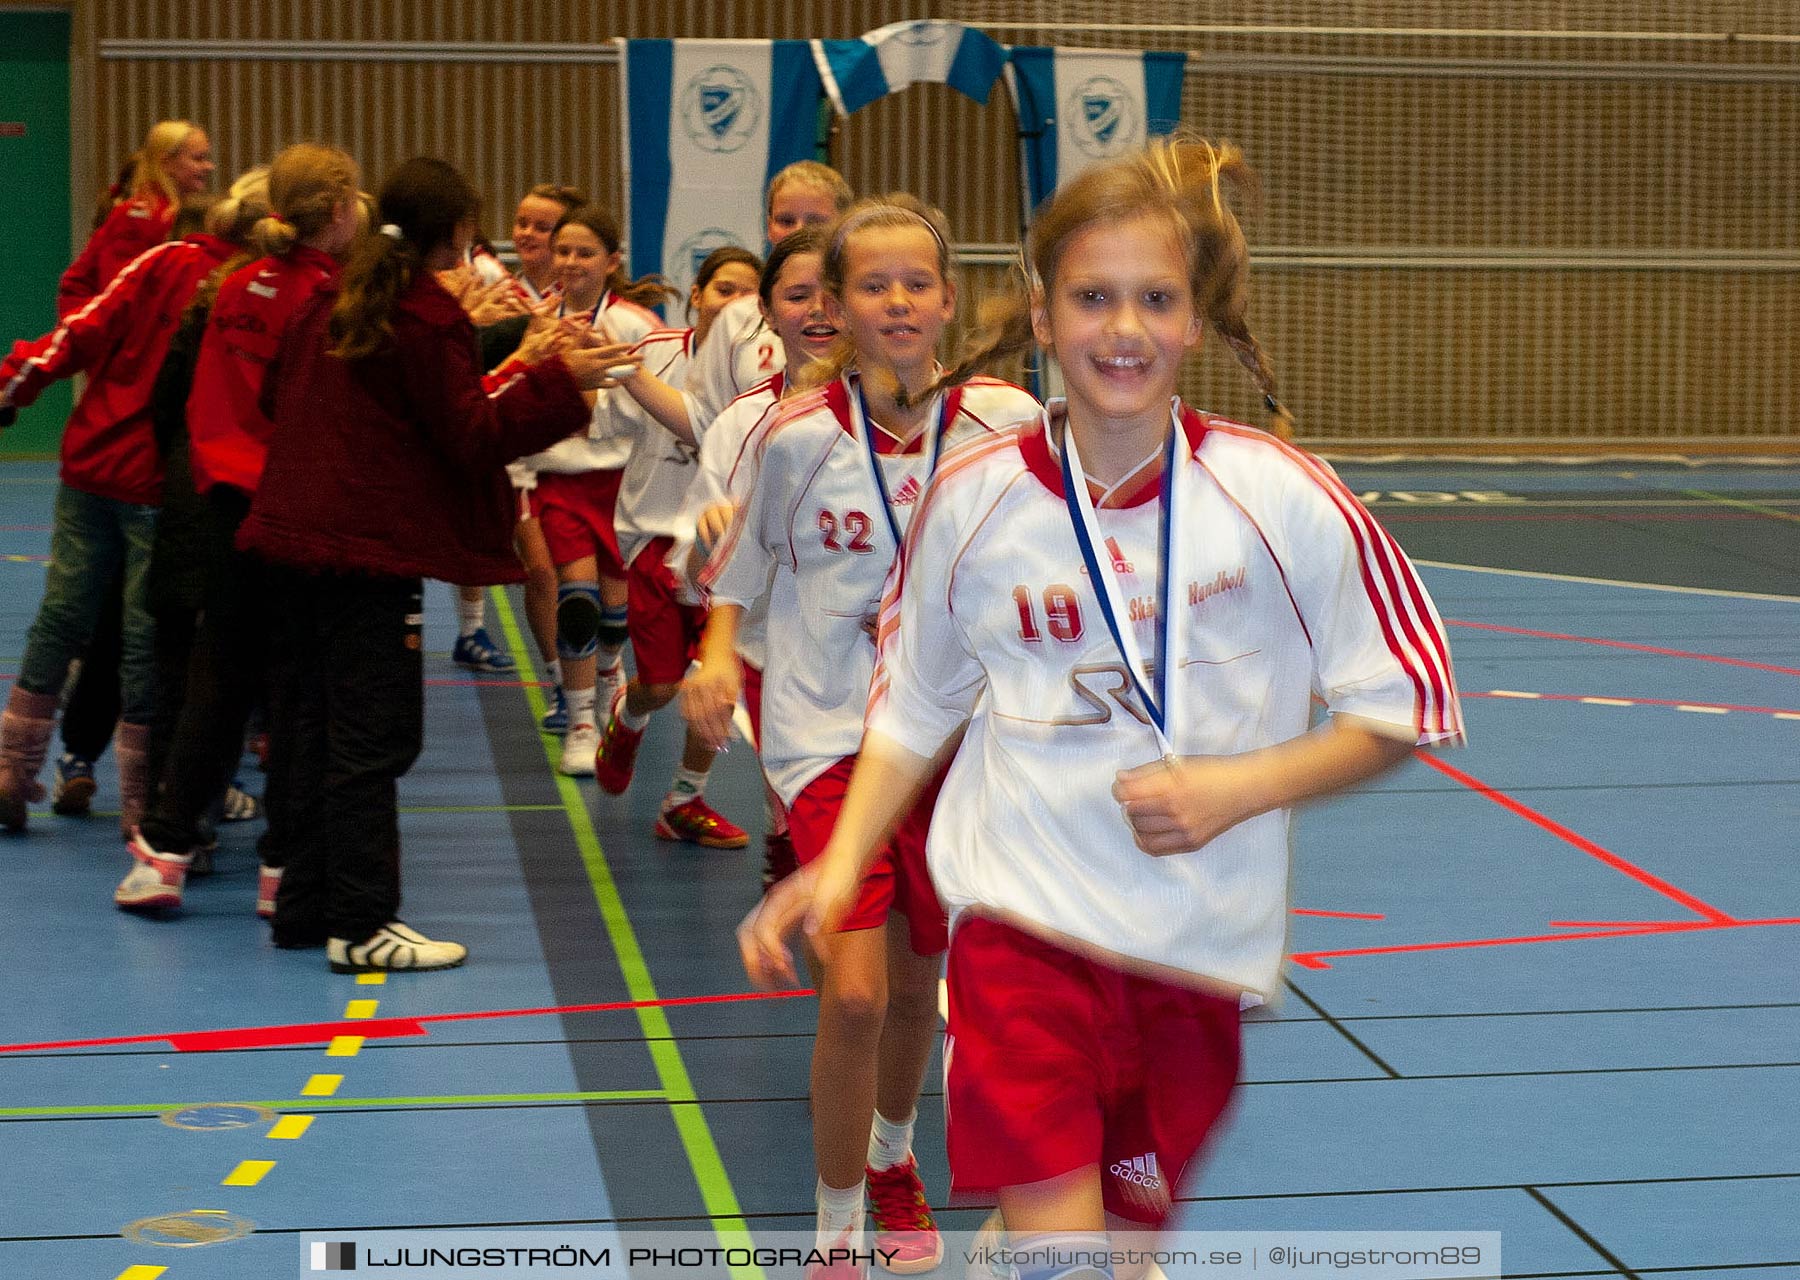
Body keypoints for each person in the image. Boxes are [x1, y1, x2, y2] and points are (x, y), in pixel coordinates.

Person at [741, 139, 1464, 1265]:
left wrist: (1242, 784)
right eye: (1092, 296)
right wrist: (841, 862)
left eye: (1154, 299)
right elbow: (912, 704)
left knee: (1129, 1246)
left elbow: (1407, 700)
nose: (1122, 328)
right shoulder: (975, 502)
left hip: (1190, 957)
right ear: (1042, 316)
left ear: (1192, 319)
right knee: (1069, 1251)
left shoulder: (1280, 498)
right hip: (1022, 936)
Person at [691, 195, 1040, 1271]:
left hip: (952, 741)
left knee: (918, 979)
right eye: (872, 284)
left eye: (917, 283)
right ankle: (834, 1232)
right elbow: (737, 580)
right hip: (826, 737)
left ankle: (894, 1160)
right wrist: (711, 656)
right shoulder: (790, 441)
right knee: (853, 991)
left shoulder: (1007, 425)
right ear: (836, 306)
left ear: (947, 301)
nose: (897, 300)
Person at [237, 157, 616, 970]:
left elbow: (279, 401)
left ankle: (306, 906)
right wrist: (559, 382)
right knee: (373, 737)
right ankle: (362, 922)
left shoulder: (333, 301)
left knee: (308, 727)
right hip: (362, 555)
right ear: (458, 230)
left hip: (290, 542)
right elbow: (470, 435)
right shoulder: (419, 315)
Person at [115, 143, 363, 915]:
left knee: (214, 685)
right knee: (292, 694)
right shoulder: (326, 302)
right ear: (335, 215)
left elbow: (193, 399)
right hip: (286, 514)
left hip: (220, 508)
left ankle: (161, 856)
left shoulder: (229, 285)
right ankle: (282, 871)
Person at [0, 191, 240, 835]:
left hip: (92, 462)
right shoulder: (242, 287)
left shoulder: (162, 261)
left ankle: (11, 772)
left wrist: (13, 383)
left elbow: (81, 327)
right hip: (157, 485)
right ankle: (141, 805)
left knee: (60, 618)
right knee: (143, 643)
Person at [666, 228, 837, 886]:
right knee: (802, 817)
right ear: (766, 313)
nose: (818, 309)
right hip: (782, 657)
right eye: (798, 296)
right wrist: (711, 541)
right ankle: (787, 868)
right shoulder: (744, 424)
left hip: (893, 665)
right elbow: (689, 568)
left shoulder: (918, 412)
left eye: (833, 292)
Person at [591, 246, 761, 848]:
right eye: (723, 289)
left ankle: (685, 799)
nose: (734, 303)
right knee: (661, 685)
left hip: (722, 544)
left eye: (749, 294)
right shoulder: (656, 356)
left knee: (716, 680)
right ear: (697, 295)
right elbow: (602, 426)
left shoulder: (763, 372)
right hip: (654, 536)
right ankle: (628, 714)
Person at [517, 204, 673, 775]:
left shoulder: (635, 325)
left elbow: (667, 398)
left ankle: (610, 670)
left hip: (623, 479)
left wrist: (605, 392)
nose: (571, 262)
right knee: (576, 598)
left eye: (585, 253)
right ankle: (581, 721)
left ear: (612, 262)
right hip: (559, 476)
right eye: (563, 251)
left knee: (615, 613)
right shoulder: (535, 320)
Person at [59, 120, 214, 317]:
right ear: (167, 163)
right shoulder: (138, 216)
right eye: (198, 159)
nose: (209, 166)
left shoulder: (177, 212)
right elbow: (118, 292)